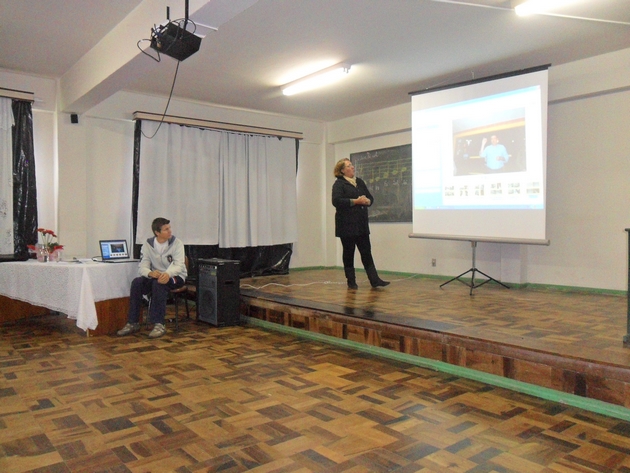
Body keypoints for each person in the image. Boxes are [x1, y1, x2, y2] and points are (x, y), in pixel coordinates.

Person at [117, 217, 187, 338]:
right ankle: (133, 322)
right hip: (156, 276)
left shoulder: (177, 243)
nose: (170, 231)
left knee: (159, 284)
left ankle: (159, 324)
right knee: (137, 283)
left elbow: (179, 265)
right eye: (166, 229)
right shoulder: (148, 245)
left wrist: (167, 274)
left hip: (176, 276)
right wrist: (149, 273)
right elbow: (142, 266)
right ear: (157, 233)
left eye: (169, 228)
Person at [332, 158, 389, 289]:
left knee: (366, 252)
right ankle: (351, 281)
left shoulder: (359, 182)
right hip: (346, 225)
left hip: (361, 224)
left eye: (352, 165)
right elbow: (336, 201)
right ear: (342, 170)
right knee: (349, 253)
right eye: (349, 166)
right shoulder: (339, 184)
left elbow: (370, 197)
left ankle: (374, 280)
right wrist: (355, 201)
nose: (352, 167)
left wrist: (368, 201)